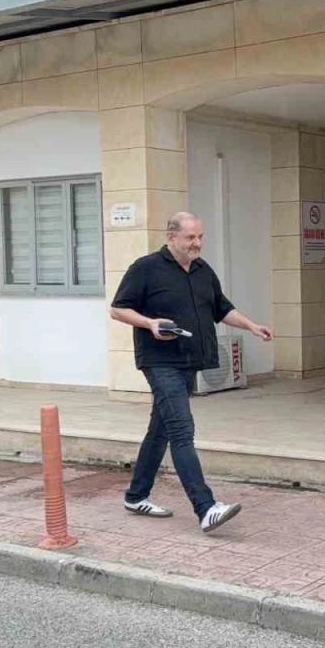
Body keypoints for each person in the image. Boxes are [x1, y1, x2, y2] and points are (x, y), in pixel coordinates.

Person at [109, 212, 274, 534]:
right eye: (190, 238)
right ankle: (206, 507)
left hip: (190, 361)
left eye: (200, 237)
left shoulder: (202, 270)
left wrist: (252, 326)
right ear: (171, 236)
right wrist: (150, 323)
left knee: (160, 430)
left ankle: (136, 496)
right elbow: (118, 309)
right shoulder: (146, 267)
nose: (197, 243)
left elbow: (222, 308)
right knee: (181, 430)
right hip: (160, 361)